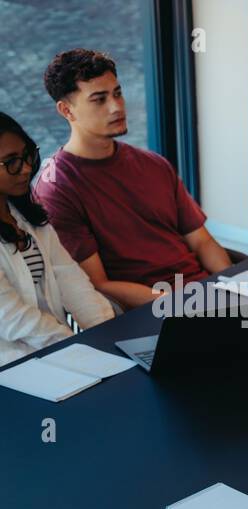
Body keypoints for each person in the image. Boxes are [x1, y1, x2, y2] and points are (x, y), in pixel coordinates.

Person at [32, 48, 230, 310]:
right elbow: (97, 284)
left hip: (204, 298)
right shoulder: (57, 189)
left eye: (118, 93)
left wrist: (231, 286)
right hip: (149, 311)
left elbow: (202, 242)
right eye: (99, 99)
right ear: (67, 110)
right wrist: (181, 304)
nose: (117, 107)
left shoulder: (153, 164)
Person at [0, 113, 112, 368]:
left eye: (26, 154)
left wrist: (108, 334)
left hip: (55, 352)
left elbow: (72, 281)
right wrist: (75, 348)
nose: (27, 168)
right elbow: (12, 318)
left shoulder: (27, 217)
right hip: (12, 366)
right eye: (11, 162)